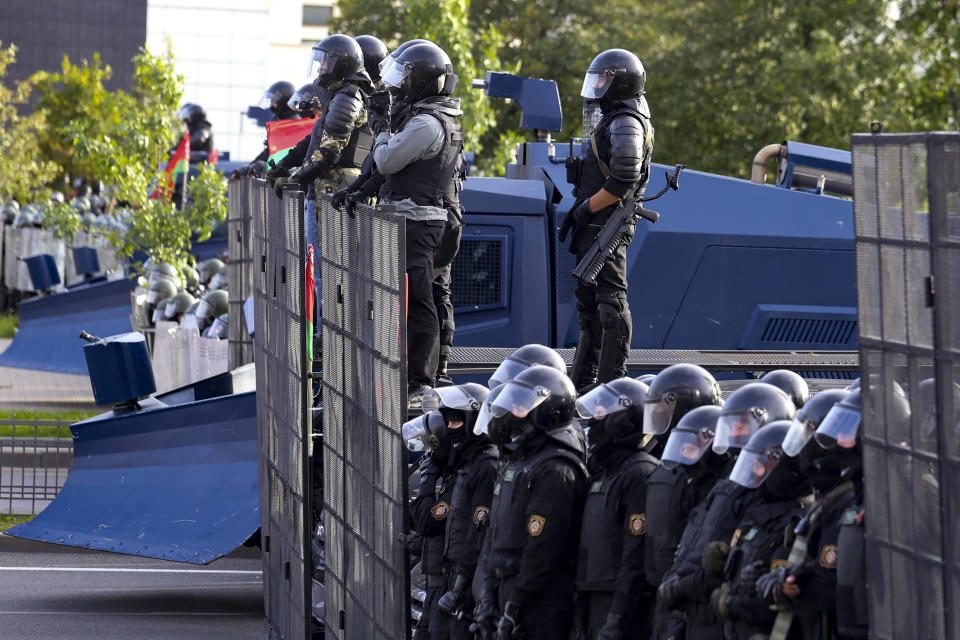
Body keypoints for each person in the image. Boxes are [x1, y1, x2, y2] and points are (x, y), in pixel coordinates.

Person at [657, 382, 795, 640]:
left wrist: (682, 586)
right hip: (695, 610)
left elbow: (727, 564)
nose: (733, 433)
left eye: (740, 425)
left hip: (719, 614)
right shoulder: (728, 482)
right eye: (730, 425)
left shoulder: (764, 494)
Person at [367, 42, 464, 405]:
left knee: (419, 303)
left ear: (420, 81)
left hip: (419, 223)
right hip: (417, 221)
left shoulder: (427, 123)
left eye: (405, 76)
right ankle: (416, 378)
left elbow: (387, 160)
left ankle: (421, 383)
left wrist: (380, 129)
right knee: (413, 302)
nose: (398, 84)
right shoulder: (431, 117)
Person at [473, 365, 588, 640]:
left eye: (521, 407)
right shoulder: (523, 460)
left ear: (546, 410)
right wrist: (489, 595)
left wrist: (516, 603)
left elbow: (543, 550)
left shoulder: (556, 468)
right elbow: (496, 533)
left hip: (540, 597)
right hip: (508, 587)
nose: (514, 413)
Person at [566, 49, 654, 390]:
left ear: (620, 83)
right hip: (596, 220)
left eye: (604, 78)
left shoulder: (626, 121)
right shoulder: (615, 116)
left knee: (611, 303)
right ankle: (586, 380)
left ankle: (612, 383)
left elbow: (623, 179)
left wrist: (587, 207)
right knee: (589, 304)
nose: (597, 85)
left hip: (609, 220)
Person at [266, 34, 373, 257]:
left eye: (325, 61)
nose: (321, 67)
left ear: (339, 64)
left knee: (329, 270)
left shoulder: (347, 98)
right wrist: (285, 165)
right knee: (320, 270)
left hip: (336, 190)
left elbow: (329, 152)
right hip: (327, 190)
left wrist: (294, 179)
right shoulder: (339, 98)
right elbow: (313, 141)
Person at [709, 421, 814, 639]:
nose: (755, 470)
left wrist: (728, 604)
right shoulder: (759, 513)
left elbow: (776, 600)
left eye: (760, 465)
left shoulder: (798, 523)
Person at [574, 377, 659, 640]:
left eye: (602, 411)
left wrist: (617, 618)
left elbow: (635, 556)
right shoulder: (604, 471)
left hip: (617, 601)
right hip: (590, 594)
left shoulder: (639, 473)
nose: (595, 419)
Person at [424, 384, 499, 639]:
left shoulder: (486, 466)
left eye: (457, 420)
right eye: (448, 420)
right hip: (453, 571)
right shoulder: (468, 464)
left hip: (469, 576)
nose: (450, 427)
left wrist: (460, 586)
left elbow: (479, 533)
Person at [405, 410, 458, 639]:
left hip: (446, 583)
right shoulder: (449, 475)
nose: (429, 454)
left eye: (432, 448)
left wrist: (427, 478)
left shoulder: (457, 480)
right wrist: (415, 543)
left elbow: (428, 523)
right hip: (435, 581)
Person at [232, 81, 300, 180]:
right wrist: (249, 168)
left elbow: (288, 156)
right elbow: (269, 152)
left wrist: (266, 166)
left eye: (273, 100)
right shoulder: (279, 122)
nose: (272, 104)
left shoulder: (295, 126)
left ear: (282, 100)